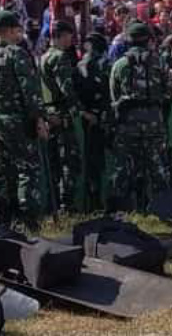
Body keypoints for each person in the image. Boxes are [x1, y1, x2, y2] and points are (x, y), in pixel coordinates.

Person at [0, 10, 49, 231]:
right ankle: (28, 219)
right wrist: (39, 120)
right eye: (17, 30)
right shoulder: (16, 54)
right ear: (7, 30)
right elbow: (30, 92)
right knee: (27, 169)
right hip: (18, 122)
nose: (20, 34)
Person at [108, 22, 172, 211]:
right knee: (158, 168)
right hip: (154, 122)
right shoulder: (159, 62)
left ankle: (120, 211)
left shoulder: (119, 64)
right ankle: (166, 210)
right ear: (148, 40)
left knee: (123, 169)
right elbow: (169, 93)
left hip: (128, 124)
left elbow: (114, 96)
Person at [39, 20, 83, 213]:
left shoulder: (43, 56)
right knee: (68, 162)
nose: (70, 39)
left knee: (53, 163)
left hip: (48, 114)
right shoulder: (59, 57)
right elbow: (66, 88)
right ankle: (66, 207)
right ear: (62, 36)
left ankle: (54, 206)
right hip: (62, 115)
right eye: (69, 35)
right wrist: (80, 110)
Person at [75, 31, 111, 212]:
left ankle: (93, 202)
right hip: (105, 117)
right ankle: (111, 202)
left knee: (92, 162)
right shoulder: (105, 63)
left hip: (88, 118)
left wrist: (85, 112)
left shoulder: (79, 64)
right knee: (112, 162)